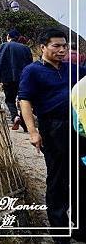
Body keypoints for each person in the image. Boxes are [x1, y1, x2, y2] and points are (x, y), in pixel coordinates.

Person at [18, 28, 86, 243]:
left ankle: (80, 227)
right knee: (58, 179)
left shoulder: (73, 69)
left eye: (64, 46)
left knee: (81, 177)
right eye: (56, 46)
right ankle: (60, 231)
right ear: (43, 47)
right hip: (53, 128)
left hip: (78, 127)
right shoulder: (32, 71)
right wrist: (32, 131)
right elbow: (25, 100)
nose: (62, 50)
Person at [0, 29, 34, 130]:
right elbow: (30, 64)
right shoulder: (26, 48)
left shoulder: (4, 45)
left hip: (8, 77)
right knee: (23, 100)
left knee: (10, 99)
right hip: (23, 78)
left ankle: (15, 117)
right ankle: (24, 124)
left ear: (8, 36)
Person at [71, 75, 86, 242]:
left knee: (81, 188)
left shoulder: (79, 87)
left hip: (83, 145)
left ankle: (81, 228)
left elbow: (79, 127)